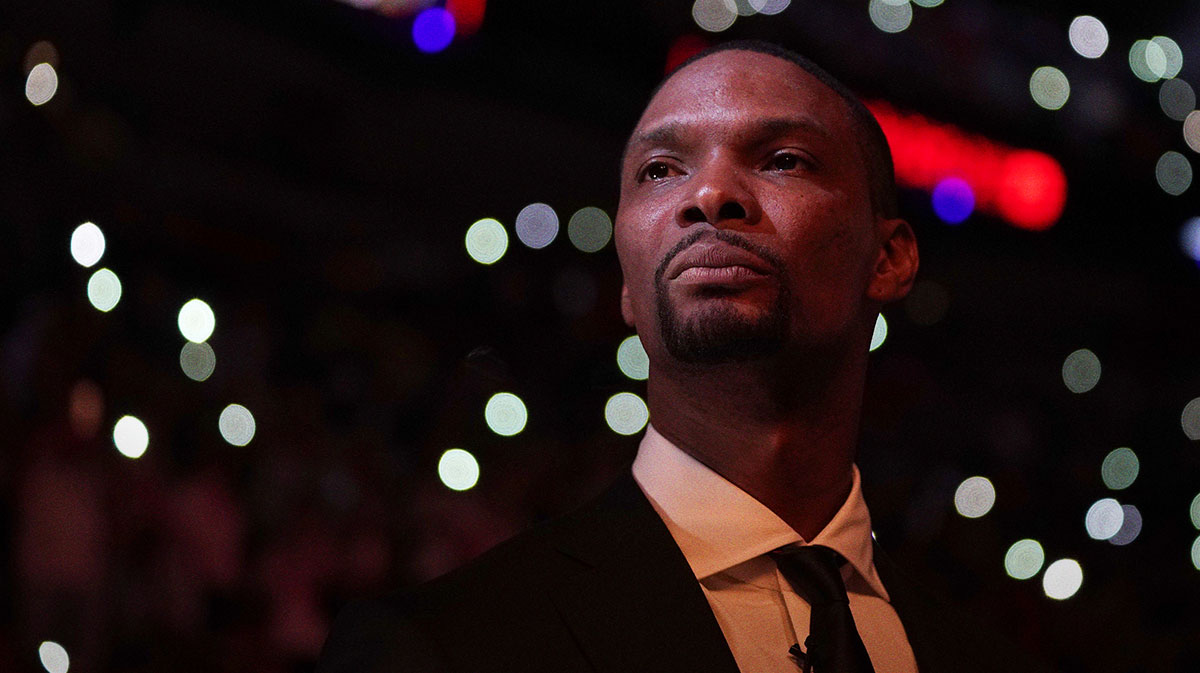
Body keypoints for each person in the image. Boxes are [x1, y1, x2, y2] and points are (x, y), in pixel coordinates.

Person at [317, 40, 1054, 673]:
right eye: (660, 170)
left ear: (889, 258)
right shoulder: (439, 648)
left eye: (784, 159)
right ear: (630, 288)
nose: (708, 193)